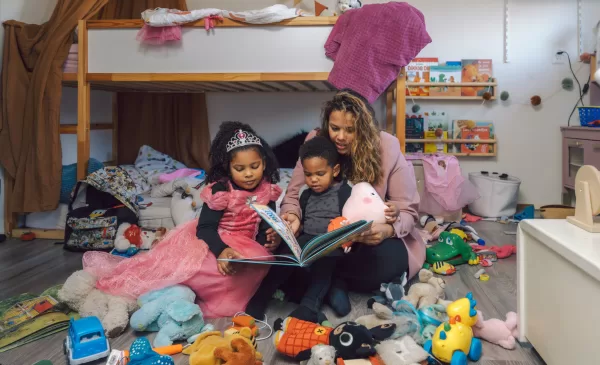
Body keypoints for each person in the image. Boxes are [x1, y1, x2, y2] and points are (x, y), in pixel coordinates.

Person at [82, 122, 283, 318]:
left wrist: (271, 237)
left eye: (254, 166)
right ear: (228, 168)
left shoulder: (268, 191)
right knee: (187, 271)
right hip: (213, 243)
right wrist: (221, 250)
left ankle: (204, 293)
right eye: (240, 169)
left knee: (258, 265)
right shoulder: (221, 191)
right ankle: (177, 292)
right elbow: (205, 228)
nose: (248, 174)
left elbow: (265, 224)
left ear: (264, 163)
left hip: (244, 249)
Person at [262, 89, 423, 318]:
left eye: (350, 130)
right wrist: (293, 216)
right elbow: (294, 194)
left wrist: (387, 230)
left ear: (364, 129)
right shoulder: (315, 141)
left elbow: (407, 209)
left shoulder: (387, 146)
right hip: (319, 235)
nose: (340, 137)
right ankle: (330, 282)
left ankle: (327, 282)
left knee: (388, 260)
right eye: (334, 128)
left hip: (363, 242)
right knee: (280, 252)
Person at [246, 136, 353, 323]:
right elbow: (302, 220)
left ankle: (308, 307)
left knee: (323, 268)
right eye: (308, 174)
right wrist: (288, 230)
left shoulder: (345, 192)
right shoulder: (305, 193)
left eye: (320, 174)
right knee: (284, 259)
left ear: (334, 170)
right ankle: (260, 297)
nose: (313, 180)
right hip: (307, 239)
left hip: (330, 244)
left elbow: (351, 219)